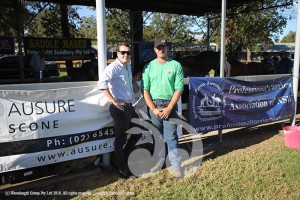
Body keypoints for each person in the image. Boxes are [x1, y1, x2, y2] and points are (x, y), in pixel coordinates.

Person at [141, 37, 184, 178]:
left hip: (169, 105)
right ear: (154, 50)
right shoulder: (148, 67)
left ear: (167, 48)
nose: (161, 49)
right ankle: (159, 162)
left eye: (163, 47)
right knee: (157, 136)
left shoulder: (176, 65)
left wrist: (169, 107)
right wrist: (153, 108)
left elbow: (179, 88)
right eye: (158, 47)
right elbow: (145, 89)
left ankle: (175, 165)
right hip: (154, 106)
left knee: (171, 136)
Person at [98, 43, 141, 178]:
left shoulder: (128, 66)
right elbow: (101, 85)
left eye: (128, 53)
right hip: (119, 108)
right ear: (117, 53)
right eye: (123, 52)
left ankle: (123, 160)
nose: (126, 55)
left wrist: (133, 83)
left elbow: (129, 84)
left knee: (138, 132)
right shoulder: (113, 68)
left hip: (129, 106)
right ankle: (122, 168)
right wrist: (114, 100)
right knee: (120, 139)